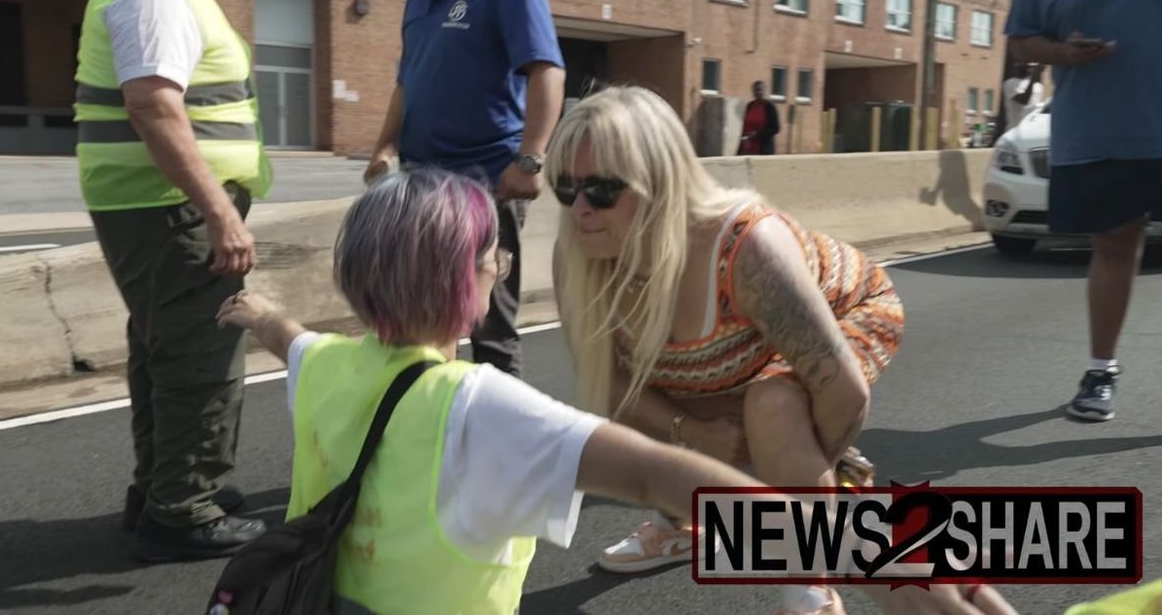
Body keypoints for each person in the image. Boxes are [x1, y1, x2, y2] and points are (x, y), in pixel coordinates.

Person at [216, 168, 1015, 615]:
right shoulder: (481, 407)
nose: (501, 268)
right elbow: (655, 475)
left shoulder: (323, 368)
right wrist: (816, 530)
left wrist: (258, 312)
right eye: (493, 258)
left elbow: (292, 342)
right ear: (472, 281)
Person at [545, 86, 904, 614]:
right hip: (729, 353)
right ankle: (685, 524)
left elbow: (843, 389)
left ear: (659, 183)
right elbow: (612, 388)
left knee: (773, 409)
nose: (580, 210)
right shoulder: (577, 256)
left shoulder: (745, 246)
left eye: (601, 189)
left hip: (850, 310)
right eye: (565, 187)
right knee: (655, 389)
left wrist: (796, 473)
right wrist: (697, 435)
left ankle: (810, 578)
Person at [72, 0, 273, 560]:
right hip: (172, 208)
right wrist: (217, 209)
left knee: (164, 349)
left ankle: (164, 487)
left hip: (157, 205)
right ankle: (182, 508)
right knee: (200, 353)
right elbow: (154, 103)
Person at [363, 0, 566, 378]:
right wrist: (384, 146)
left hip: (486, 186)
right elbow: (405, 82)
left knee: (488, 326)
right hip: (420, 186)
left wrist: (530, 159)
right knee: (417, 322)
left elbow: (547, 70)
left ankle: (501, 445)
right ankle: (430, 427)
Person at [1005, 0, 1161, 422]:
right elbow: (1023, 39)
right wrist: (1064, 53)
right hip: (1098, 129)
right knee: (1115, 246)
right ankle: (1101, 371)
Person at [739, 80, 782, 155]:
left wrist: (757, 134)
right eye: (755, 90)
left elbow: (775, 128)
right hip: (747, 147)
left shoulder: (769, 107)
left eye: (760, 90)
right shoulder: (750, 106)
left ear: (765, 91)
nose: (758, 92)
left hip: (763, 148)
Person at [1002, 62, 1044, 133]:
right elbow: (1024, 100)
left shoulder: (1038, 86)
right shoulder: (1010, 83)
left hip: (1031, 132)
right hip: (1014, 131)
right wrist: (1034, 75)